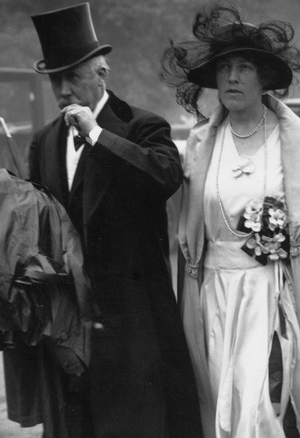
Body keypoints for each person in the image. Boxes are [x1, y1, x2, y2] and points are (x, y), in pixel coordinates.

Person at [162, 5, 300, 438]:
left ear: (265, 77)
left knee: (272, 406)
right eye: (224, 68)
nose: (232, 77)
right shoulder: (202, 143)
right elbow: (188, 235)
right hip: (215, 298)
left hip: (274, 293)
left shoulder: (299, 143)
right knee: (223, 410)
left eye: (244, 67)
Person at [25, 3, 202, 436]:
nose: (63, 89)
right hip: (72, 320)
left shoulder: (142, 125)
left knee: (140, 422)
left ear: (101, 73)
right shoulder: (44, 142)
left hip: (134, 316)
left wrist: (97, 135)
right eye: (55, 79)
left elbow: (164, 176)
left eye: (73, 76)